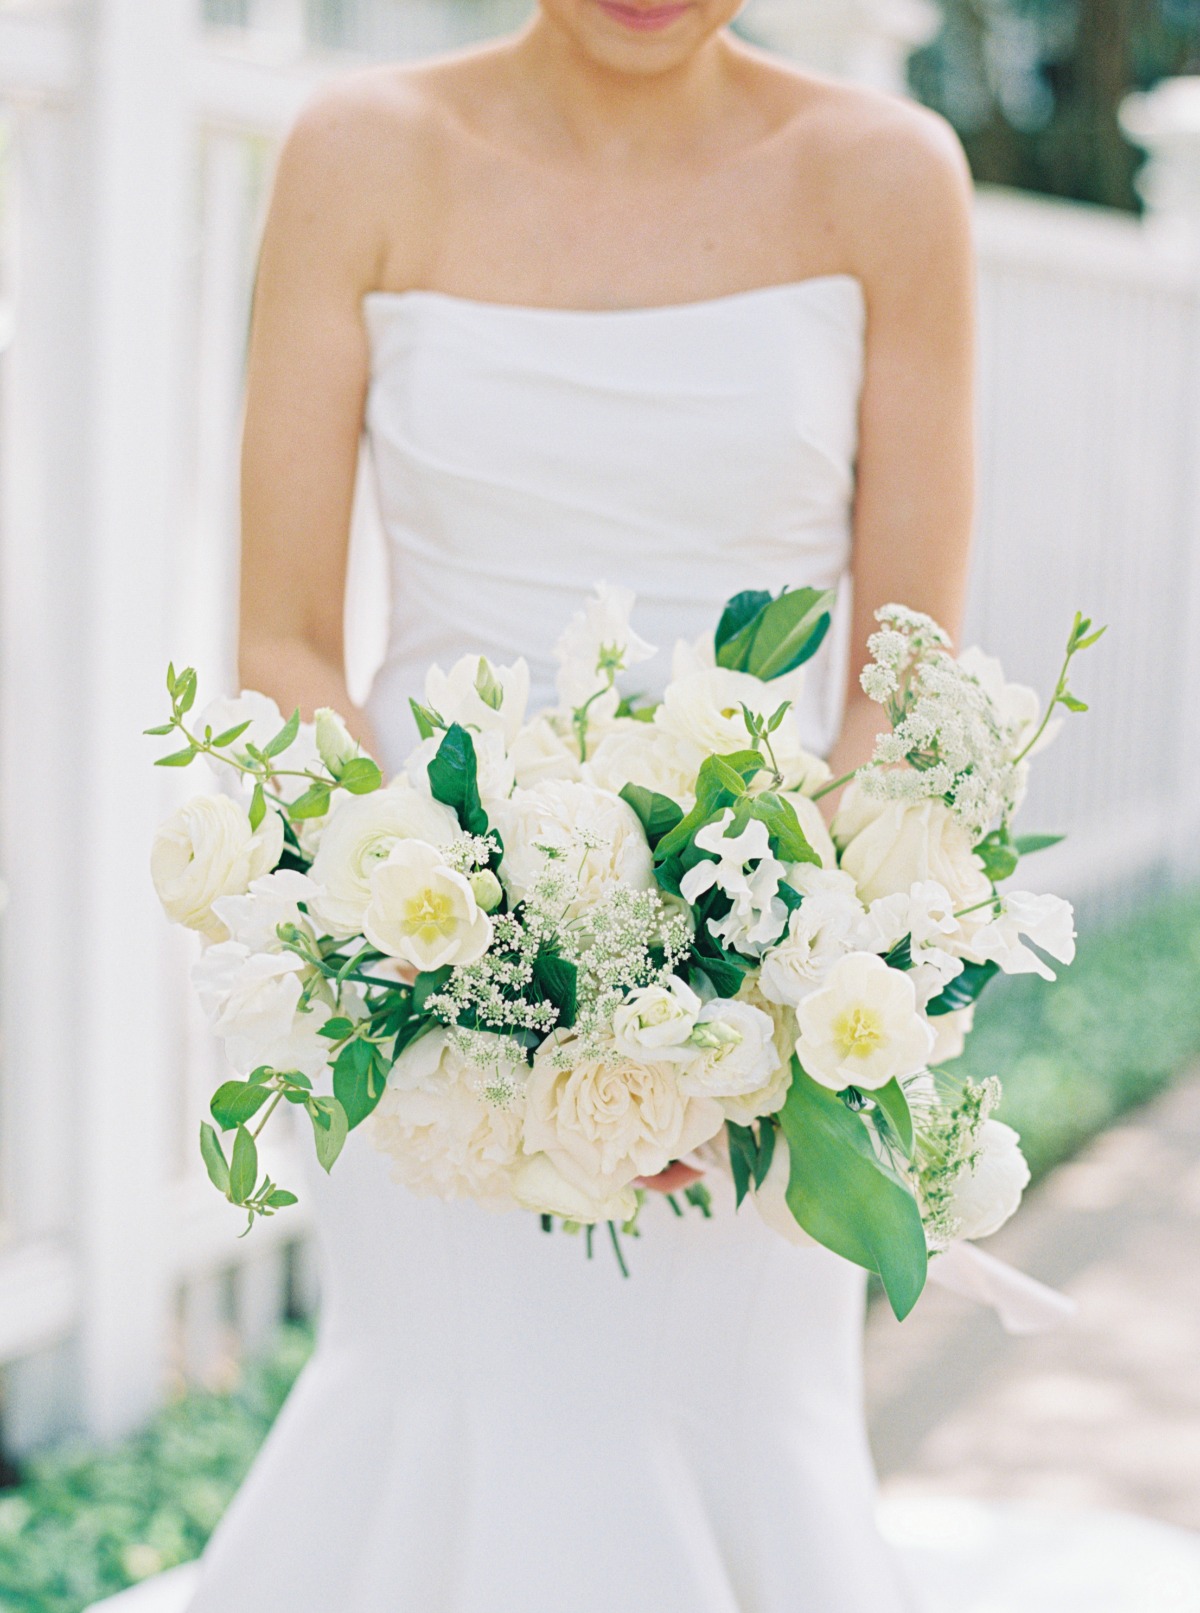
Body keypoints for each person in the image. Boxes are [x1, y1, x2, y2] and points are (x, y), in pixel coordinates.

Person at [189, 2, 975, 1607]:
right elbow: (280, 632)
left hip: (760, 1004)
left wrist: (752, 993)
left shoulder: (889, 178)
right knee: (460, 1400)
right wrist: (422, 952)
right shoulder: (361, 154)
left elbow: (905, 671)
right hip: (415, 968)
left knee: (721, 1421)